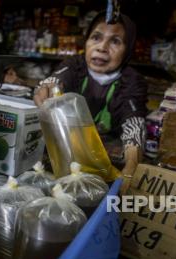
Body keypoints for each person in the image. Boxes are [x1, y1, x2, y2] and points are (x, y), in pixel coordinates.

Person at [33, 11, 147, 185]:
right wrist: (46, 88)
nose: (102, 47)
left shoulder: (132, 80)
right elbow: (56, 80)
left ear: (128, 49)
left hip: (106, 158)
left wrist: (131, 167)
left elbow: (134, 123)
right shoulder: (74, 65)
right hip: (68, 153)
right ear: (86, 42)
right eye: (96, 38)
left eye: (115, 41)